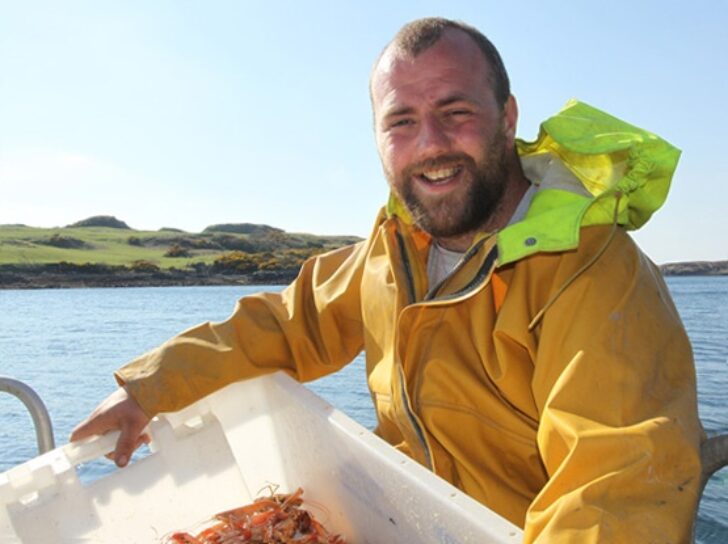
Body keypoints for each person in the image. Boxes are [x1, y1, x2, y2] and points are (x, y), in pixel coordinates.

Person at [71, 17, 704, 542]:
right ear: (378, 138)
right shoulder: (395, 248)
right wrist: (148, 387)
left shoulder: (594, 272)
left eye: (455, 111)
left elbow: (617, 484)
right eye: (400, 122)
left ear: (507, 116)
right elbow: (288, 325)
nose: (429, 144)